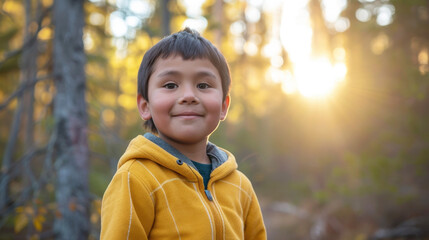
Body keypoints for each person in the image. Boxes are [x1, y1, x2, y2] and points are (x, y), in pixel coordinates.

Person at [100, 28, 267, 240]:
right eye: (170, 85)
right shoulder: (136, 180)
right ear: (145, 106)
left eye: (203, 85)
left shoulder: (240, 186)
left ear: (224, 106)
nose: (188, 96)